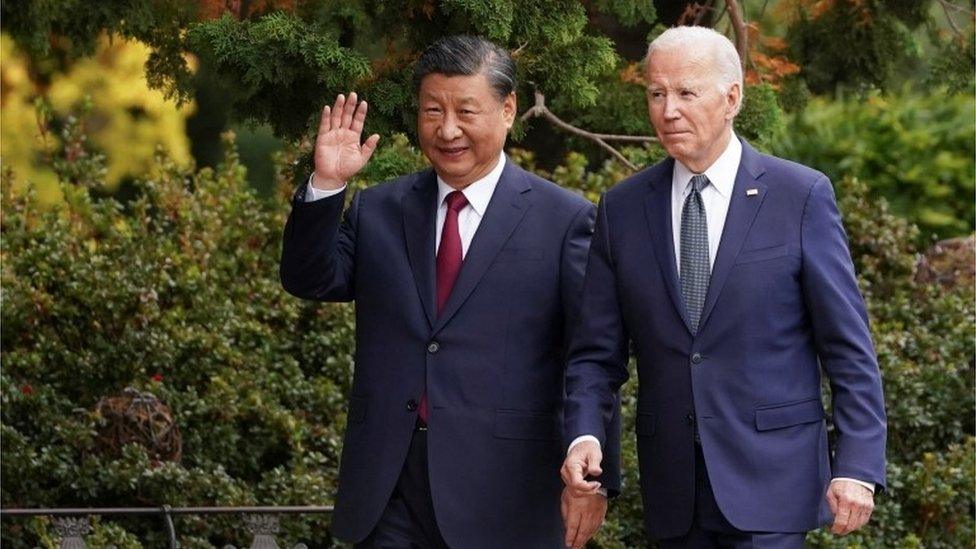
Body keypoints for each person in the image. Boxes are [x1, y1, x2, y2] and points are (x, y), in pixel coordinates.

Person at [280, 35, 619, 549]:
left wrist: (593, 474)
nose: (448, 129)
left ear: (508, 111)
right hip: (389, 487)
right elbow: (310, 278)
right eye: (432, 111)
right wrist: (326, 184)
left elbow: (592, 355)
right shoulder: (380, 211)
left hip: (505, 493)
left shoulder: (564, 220)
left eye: (466, 111)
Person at [561, 26, 887, 548]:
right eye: (656, 93)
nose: (668, 110)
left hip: (773, 487)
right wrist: (584, 435)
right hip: (673, 494)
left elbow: (847, 348)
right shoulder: (622, 209)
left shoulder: (799, 196)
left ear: (732, 97)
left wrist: (858, 465)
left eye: (686, 93)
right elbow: (595, 356)